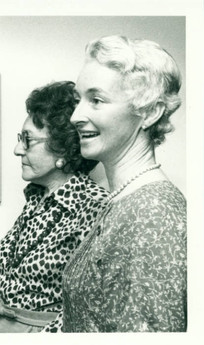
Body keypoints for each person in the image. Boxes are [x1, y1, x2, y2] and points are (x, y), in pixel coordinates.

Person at [62, 35, 186, 332]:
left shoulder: (151, 215)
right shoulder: (126, 199)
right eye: (80, 99)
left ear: (149, 112)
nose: (76, 116)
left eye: (97, 100)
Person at [0, 81, 109, 333]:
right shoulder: (36, 199)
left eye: (27, 140)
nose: (17, 149)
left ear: (61, 149)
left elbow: (91, 306)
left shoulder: (94, 206)